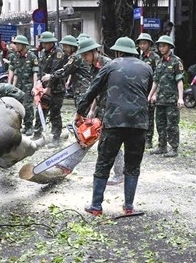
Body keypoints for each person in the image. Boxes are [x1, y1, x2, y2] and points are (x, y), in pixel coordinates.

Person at [77, 37, 153, 216]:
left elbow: (93, 90)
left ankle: (96, 206)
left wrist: (81, 110)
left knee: (104, 162)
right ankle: (128, 207)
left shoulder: (110, 66)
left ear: (118, 52)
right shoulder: (146, 67)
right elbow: (147, 89)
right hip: (139, 124)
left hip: (114, 122)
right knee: (133, 165)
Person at [148, 35, 185, 157]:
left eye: (163, 45)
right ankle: (162, 146)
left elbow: (179, 80)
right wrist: (151, 95)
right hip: (160, 100)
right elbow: (156, 80)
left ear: (169, 46)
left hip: (172, 99)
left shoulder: (176, 61)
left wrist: (180, 98)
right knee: (160, 124)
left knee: (172, 124)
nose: (161, 48)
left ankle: (174, 147)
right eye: (159, 46)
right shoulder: (159, 62)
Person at [35, 32, 66, 142]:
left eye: (45, 43)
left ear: (51, 42)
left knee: (55, 113)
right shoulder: (44, 53)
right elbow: (41, 69)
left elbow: (55, 73)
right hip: (44, 88)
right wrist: (38, 82)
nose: (43, 45)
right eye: (42, 43)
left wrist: (49, 88)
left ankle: (56, 137)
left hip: (56, 89)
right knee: (40, 111)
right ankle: (37, 133)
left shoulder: (58, 54)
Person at [8, 35, 39, 134]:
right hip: (18, 85)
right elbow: (13, 71)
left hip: (28, 85)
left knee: (27, 106)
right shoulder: (14, 56)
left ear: (23, 45)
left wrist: (34, 87)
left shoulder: (32, 56)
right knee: (18, 106)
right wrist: (10, 84)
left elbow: (35, 73)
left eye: (17, 44)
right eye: (15, 44)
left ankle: (29, 126)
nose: (15, 46)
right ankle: (23, 126)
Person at [136, 33, 159, 148]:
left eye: (144, 43)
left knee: (149, 115)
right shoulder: (140, 57)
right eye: (140, 43)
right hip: (141, 90)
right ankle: (142, 137)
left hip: (151, 90)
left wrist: (155, 93)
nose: (142, 45)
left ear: (149, 44)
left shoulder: (155, 58)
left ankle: (149, 139)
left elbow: (158, 76)